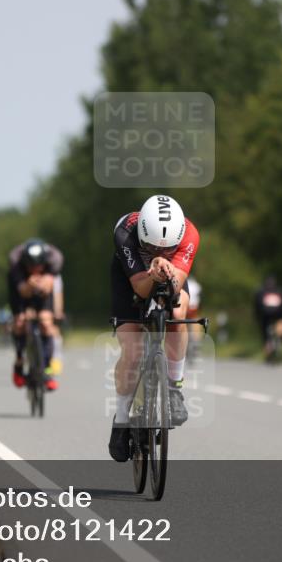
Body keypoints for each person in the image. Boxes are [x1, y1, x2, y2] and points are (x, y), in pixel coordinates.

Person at [108, 194, 200, 463]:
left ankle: (174, 388)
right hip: (130, 277)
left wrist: (167, 271)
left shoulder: (190, 234)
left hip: (171, 276)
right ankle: (122, 419)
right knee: (133, 351)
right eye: (151, 247)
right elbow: (139, 287)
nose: (160, 252)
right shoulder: (126, 231)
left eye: (168, 248)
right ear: (142, 234)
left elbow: (176, 287)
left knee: (179, 310)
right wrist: (153, 270)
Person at [7, 238, 64, 391]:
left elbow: (53, 287)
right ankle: (19, 362)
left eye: (39, 266)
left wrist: (45, 283)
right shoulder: (16, 264)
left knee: (46, 323)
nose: (35, 270)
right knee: (19, 323)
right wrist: (29, 284)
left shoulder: (54, 260)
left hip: (43, 294)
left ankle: (46, 367)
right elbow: (22, 291)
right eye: (31, 267)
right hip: (21, 292)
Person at [255, 276, 282, 361]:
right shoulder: (280, 291)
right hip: (279, 316)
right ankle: (279, 341)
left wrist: (257, 317)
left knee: (265, 334)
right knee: (280, 328)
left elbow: (257, 306)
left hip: (265, 316)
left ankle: (268, 346)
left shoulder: (261, 292)